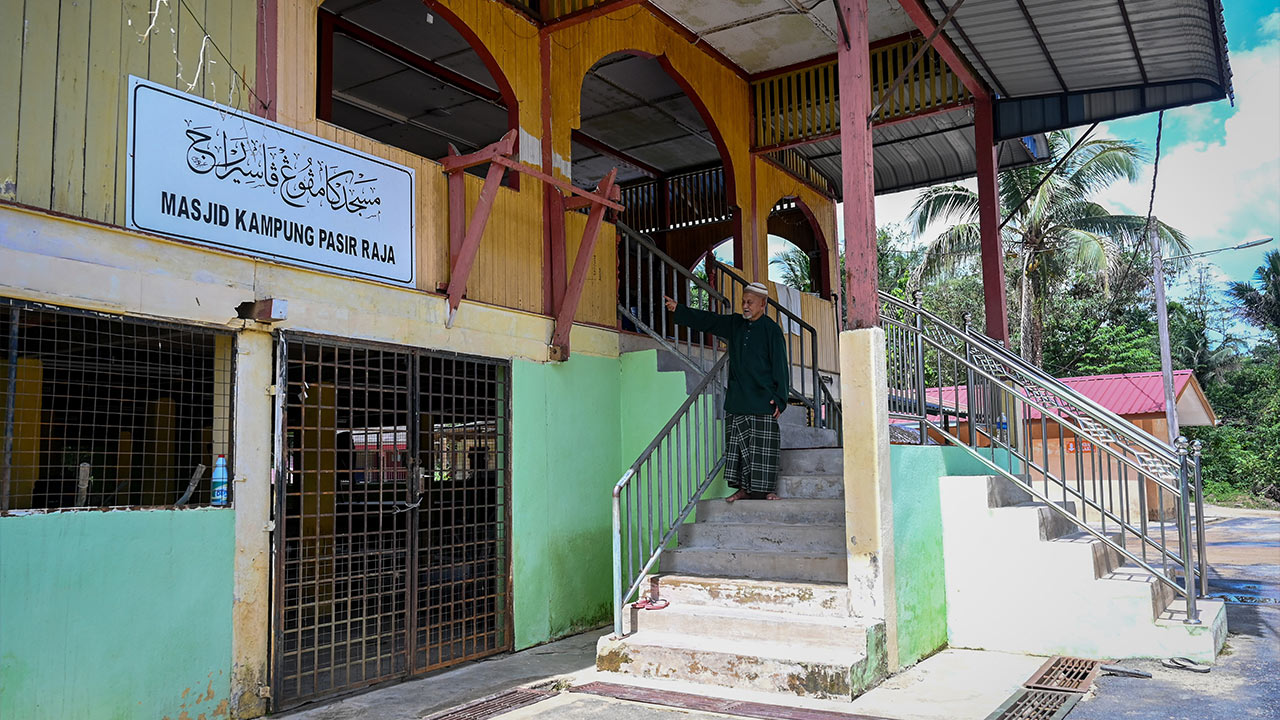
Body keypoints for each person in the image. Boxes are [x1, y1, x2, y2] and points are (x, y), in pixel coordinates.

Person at [663, 282, 789, 502]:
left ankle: (767, 490)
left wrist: (780, 399)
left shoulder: (772, 331)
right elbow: (709, 321)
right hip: (738, 398)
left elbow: (780, 366)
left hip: (763, 400)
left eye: (750, 302)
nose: (745, 306)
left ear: (763, 304)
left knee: (763, 450)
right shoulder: (735, 324)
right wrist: (680, 309)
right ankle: (743, 489)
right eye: (743, 301)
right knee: (739, 449)